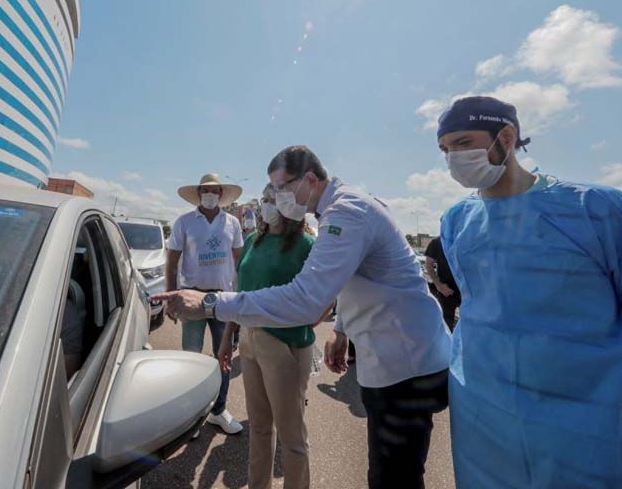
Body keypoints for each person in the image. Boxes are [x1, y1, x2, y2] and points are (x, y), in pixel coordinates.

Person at [435, 96, 622, 488]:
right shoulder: (458, 221)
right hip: (486, 425)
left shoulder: (596, 210)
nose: (453, 157)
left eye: (463, 142)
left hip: (591, 432)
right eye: (445, 149)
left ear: (506, 137)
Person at [156, 146, 451, 488]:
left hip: (404, 364)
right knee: (385, 473)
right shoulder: (336, 212)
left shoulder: (346, 212)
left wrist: (210, 304)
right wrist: (341, 329)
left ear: (309, 179)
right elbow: (352, 279)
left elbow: (307, 299)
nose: (276, 198)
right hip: (389, 357)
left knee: (394, 477)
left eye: (281, 188)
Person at [217, 184, 315, 489]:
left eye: (273, 199)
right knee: (259, 427)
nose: (266, 205)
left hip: (285, 345)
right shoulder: (251, 241)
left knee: (292, 435)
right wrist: (227, 338)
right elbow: (240, 294)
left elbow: (321, 300)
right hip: (249, 340)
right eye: (265, 199)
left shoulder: (306, 245)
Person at [166, 173, 246, 435]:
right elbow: (172, 263)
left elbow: (238, 263)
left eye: (215, 190)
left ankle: (218, 410)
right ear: (199, 193)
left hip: (223, 299)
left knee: (222, 358)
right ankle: (192, 413)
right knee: (190, 356)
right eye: (205, 190)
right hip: (192, 298)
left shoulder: (232, 223)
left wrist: (239, 297)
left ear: (222, 195)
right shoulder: (185, 222)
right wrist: (171, 297)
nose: (210, 194)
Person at [423, 236, 460, 331]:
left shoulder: (466, 238)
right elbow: (428, 264)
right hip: (445, 289)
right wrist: (438, 285)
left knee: (469, 323)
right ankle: (447, 345)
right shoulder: (437, 242)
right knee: (446, 324)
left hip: (466, 290)